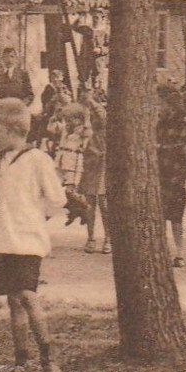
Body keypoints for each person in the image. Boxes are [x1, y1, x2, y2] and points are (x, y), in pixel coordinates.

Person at [0, 97, 66, 372]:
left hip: (26, 241)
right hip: (2, 241)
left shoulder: (37, 159)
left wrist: (34, 219)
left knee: (28, 296)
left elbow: (56, 199)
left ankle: (49, 360)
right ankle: (21, 362)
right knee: (14, 302)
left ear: (13, 129)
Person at [156, 84, 186, 267]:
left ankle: (179, 253)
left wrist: (158, 148)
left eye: (160, 102)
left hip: (176, 173)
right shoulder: (160, 120)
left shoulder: (184, 119)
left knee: (176, 216)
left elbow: (181, 146)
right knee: (159, 214)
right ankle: (163, 251)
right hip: (160, 172)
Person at [78, 83, 111, 254]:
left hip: (102, 161)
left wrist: (92, 103)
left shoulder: (102, 116)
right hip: (88, 162)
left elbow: (103, 118)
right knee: (89, 202)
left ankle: (108, 238)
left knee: (104, 202)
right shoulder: (82, 114)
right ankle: (91, 237)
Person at [49, 102, 92, 227]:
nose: (68, 121)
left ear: (79, 118)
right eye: (67, 119)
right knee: (54, 187)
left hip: (73, 161)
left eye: (71, 119)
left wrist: (87, 118)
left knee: (70, 191)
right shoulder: (65, 129)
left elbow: (88, 132)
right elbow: (51, 129)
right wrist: (55, 116)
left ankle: (84, 208)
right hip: (61, 159)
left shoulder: (82, 130)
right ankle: (75, 210)